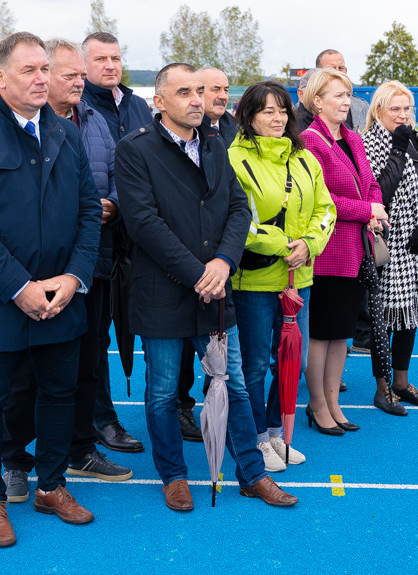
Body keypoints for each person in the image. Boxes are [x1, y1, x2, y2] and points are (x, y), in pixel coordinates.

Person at [0, 32, 102, 546]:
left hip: (61, 299)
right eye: (29, 70)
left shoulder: (66, 133)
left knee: (59, 394)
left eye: (44, 69)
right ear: (0, 77)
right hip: (0, 302)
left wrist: (72, 279)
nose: (40, 78)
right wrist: (19, 288)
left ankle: (52, 487)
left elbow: (87, 214)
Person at [115, 62, 299, 512]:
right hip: (165, 293)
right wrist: (201, 272)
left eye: (200, 90)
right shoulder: (134, 150)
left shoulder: (217, 144)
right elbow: (143, 223)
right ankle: (174, 476)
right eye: (184, 92)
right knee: (162, 392)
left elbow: (240, 209)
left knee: (234, 385)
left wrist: (222, 262)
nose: (197, 99)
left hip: (216, 294)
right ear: (159, 102)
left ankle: (251, 474)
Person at [0, 38, 131, 506]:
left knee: (87, 363)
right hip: (31, 273)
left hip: (88, 263)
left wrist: (111, 204)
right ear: (41, 77)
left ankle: (80, 449)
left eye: (81, 75)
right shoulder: (18, 128)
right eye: (69, 74)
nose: (79, 82)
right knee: (22, 374)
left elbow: (116, 174)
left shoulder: (92, 122)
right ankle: (15, 460)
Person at [228, 81, 335, 470]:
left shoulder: (304, 157)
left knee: (293, 361)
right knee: (254, 365)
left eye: (282, 110)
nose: (277, 118)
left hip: (299, 279)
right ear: (248, 116)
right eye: (266, 111)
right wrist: (285, 244)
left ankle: (277, 433)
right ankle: (256, 439)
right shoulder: (234, 160)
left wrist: (311, 243)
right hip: (254, 284)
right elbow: (239, 220)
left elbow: (326, 209)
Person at [300, 68, 388, 431]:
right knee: (321, 333)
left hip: (356, 251)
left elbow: (370, 184)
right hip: (326, 254)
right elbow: (322, 200)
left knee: (342, 335)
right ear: (317, 101)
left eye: (348, 95)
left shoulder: (351, 138)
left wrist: (375, 206)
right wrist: (367, 210)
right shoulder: (310, 141)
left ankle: (334, 402)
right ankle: (317, 405)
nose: (346, 102)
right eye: (338, 95)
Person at [78, 31, 151, 452]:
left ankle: (169, 406)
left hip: (138, 239)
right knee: (96, 334)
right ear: (85, 65)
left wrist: (121, 204)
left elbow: (145, 168)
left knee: (139, 327)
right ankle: (100, 418)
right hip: (96, 241)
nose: (110, 65)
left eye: (116, 58)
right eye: (101, 59)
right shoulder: (79, 109)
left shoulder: (138, 106)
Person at [361, 80, 418, 414]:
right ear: (379, 110)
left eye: (406, 108)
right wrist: (397, 149)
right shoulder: (368, 144)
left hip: (417, 244)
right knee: (383, 318)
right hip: (383, 241)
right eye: (394, 109)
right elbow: (378, 193)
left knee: (410, 315)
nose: (401, 115)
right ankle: (382, 389)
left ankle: (401, 382)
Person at [172, 64, 238, 444]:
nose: (219, 95)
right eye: (213, 88)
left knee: (223, 351)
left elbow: (235, 202)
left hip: (224, 258)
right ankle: (181, 407)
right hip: (184, 265)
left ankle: (214, 407)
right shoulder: (171, 139)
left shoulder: (227, 130)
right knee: (178, 350)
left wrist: (224, 260)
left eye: (224, 88)